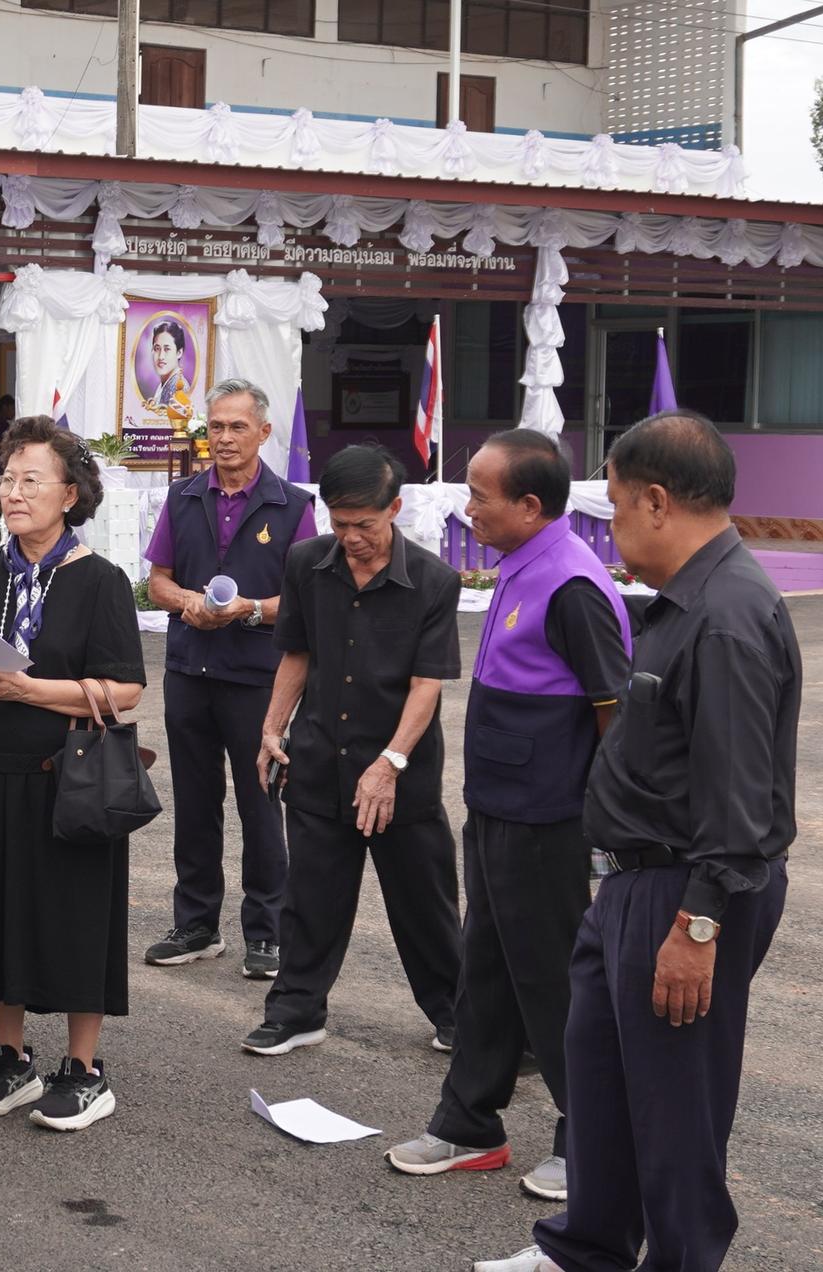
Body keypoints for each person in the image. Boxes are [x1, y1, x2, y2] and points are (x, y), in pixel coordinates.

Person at [475, 413, 799, 1272]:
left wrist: (699, 924)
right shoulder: (684, 602)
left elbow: (739, 797)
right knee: (603, 1081)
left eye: (615, 507)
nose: (610, 525)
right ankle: (587, 1248)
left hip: (685, 888)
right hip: (630, 880)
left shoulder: (726, 616)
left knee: (675, 1105)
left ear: (657, 502)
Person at [387, 430, 631, 1204]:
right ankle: (469, 1124)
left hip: (548, 823)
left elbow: (616, 713)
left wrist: (608, 823)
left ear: (530, 506)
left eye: (480, 496)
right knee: (485, 971)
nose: (468, 508)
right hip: (496, 811)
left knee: (555, 980)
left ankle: (590, 1141)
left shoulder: (574, 584)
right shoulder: (522, 565)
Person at [0, 415, 146, 1134]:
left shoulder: (100, 580)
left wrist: (29, 691)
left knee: (75, 916)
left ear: (70, 494)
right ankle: (11, 1056)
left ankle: (83, 1070)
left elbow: (125, 690)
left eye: (32, 480)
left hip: (67, 775)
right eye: (7, 478)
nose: (13, 492)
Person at [245, 444, 463, 1057]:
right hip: (318, 762)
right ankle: (295, 1013)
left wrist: (390, 763)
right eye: (339, 524)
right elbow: (297, 653)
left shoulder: (433, 581)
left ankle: (458, 1016)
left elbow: (426, 684)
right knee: (310, 899)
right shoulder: (306, 564)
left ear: (394, 508)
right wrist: (271, 729)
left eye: (363, 524)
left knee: (424, 906)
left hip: (400, 773)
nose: (351, 538)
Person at [140, 379, 317, 980]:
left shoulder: (292, 506)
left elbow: (307, 598)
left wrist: (249, 609)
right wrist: (186, 600)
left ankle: (267, 931)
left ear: (263, 432)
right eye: (216, 426)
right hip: (189, 670)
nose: (224, 437)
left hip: (256, 677)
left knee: (261, 803)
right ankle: (196, 924)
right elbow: (157, 581)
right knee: (194, 802)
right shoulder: (183, 496)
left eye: (237, 426)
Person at [142, 320, 193, 423]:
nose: (161, 356)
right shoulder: (164, 385)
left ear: (179, 352)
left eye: (167, 349)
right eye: (157, 348)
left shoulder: (178, 388)